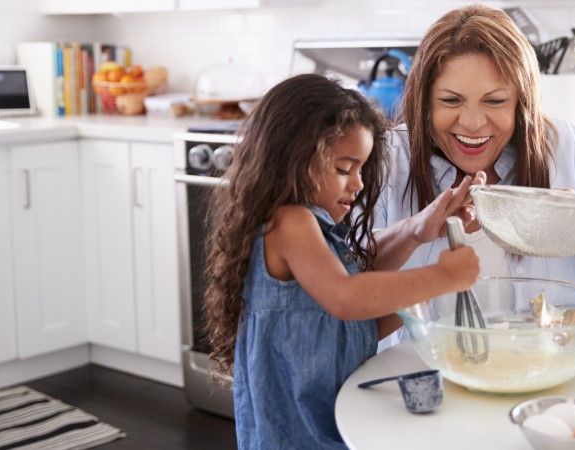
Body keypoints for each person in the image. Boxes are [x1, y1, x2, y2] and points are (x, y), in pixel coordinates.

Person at [202, 73, 479, 450]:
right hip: (296, 439)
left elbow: (350, 302)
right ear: (293, 159)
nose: (359, 183)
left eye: (361, 169)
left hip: (332, 424)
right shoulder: (290, 222)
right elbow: (347, 297)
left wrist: (418, 232)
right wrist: (443, 277)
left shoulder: (312, 231)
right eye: (344, 169)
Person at [371, 4, 575, 348]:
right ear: (423, 101)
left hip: (547, 376)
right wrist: (415, 230)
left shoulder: (565, 149)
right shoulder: (388, 159)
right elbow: (340, 286)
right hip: (424, 381)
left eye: (494, 101)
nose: (473, 123)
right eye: (450, 100)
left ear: (521, 102)